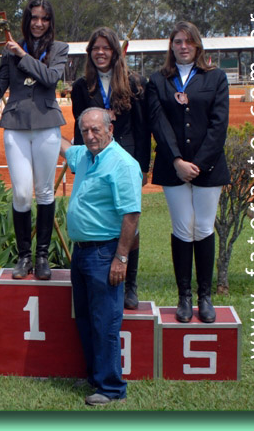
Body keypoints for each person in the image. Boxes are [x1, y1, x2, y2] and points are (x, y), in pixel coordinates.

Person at [0, 0, 68, 280]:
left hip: (46, 125)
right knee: (20, 193)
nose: (39, 23)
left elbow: (50, 78)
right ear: (26, 20)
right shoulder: (9, 49)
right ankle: (24, 256)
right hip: (16, 126)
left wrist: (21, 55)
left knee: (43, 192)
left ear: (50, 22)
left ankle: (41, 257)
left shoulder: (59, 49)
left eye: (44, 18)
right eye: (34, 18)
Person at [147, 21, 230, 324]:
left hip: (208, 168)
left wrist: (200, 163)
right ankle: (184, 296)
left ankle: (204, 296)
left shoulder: (216, 78)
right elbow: (159, 123)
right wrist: (179, 161)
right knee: (183, 228)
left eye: (189, 41)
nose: (183, 46)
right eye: (178, 41)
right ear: (171, 46)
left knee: (204, 228)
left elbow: (219, 124)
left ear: (197, 46)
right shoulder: (159, 80)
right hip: (174, 167)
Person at [60, 107, 141, 405]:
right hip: (81, 254)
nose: (91, 136)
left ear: (110, 129)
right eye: (85, 131)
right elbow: (65, 148)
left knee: (105, 321)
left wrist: (121, 258)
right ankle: (95, 376)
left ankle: (111, 387)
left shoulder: (121, 163)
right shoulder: (85, 156)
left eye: (96, 130)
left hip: (105, 253)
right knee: (85, 318)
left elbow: (131, 215)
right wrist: (42, 116)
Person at [70, 26, 150, 309]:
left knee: (129, 220)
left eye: (106, 48)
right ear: (89, 54)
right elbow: (82, 129)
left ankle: (131, 284)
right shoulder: (82, 86)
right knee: (99, 217)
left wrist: (143, 167)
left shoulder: (135, 83)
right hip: (94, 160)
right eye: (95, 49)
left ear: (116, 52)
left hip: (125, 156)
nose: (100, 53)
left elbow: (143, 127)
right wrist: (79, 162)